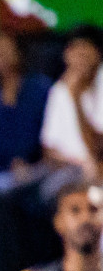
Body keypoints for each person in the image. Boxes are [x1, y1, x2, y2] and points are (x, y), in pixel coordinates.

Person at [0, 31, 51, 182]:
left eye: (6, 49)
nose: (1, 55)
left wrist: (26, 161)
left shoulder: (40, 88)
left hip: (38, 166)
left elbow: (46, 134)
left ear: (19, 52)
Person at [40, 26, 103, 182]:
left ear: (98, 53)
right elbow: (48, 148)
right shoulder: (59, 90)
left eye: (85, 47)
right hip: (67, 167)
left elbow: (97, 149)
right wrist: (72, 162)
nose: (80, 55)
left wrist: (76, 99)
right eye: (75, 48)